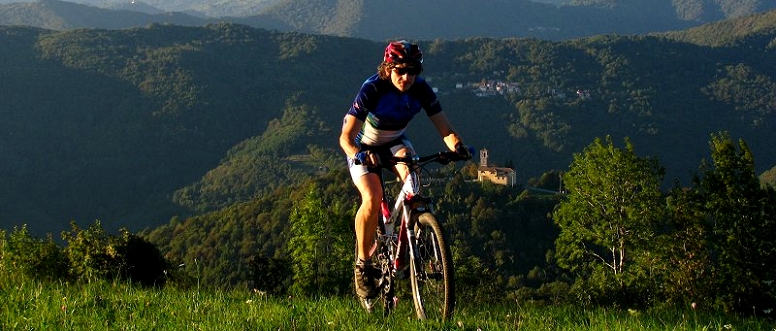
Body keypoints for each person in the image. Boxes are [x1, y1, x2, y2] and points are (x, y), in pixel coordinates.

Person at [339, 40, 471, 300]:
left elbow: (445, 129)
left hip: (396, 142)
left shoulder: (421, 90)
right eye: (401, 70)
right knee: (372, 197)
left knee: (414, 182)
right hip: (363, 146)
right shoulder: (373, 88)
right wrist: (359, 154)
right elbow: (345, 137)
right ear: (388, 68)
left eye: (413, 71)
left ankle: (418, 234)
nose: (407, 77)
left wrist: (457, 146)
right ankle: (364, 263)